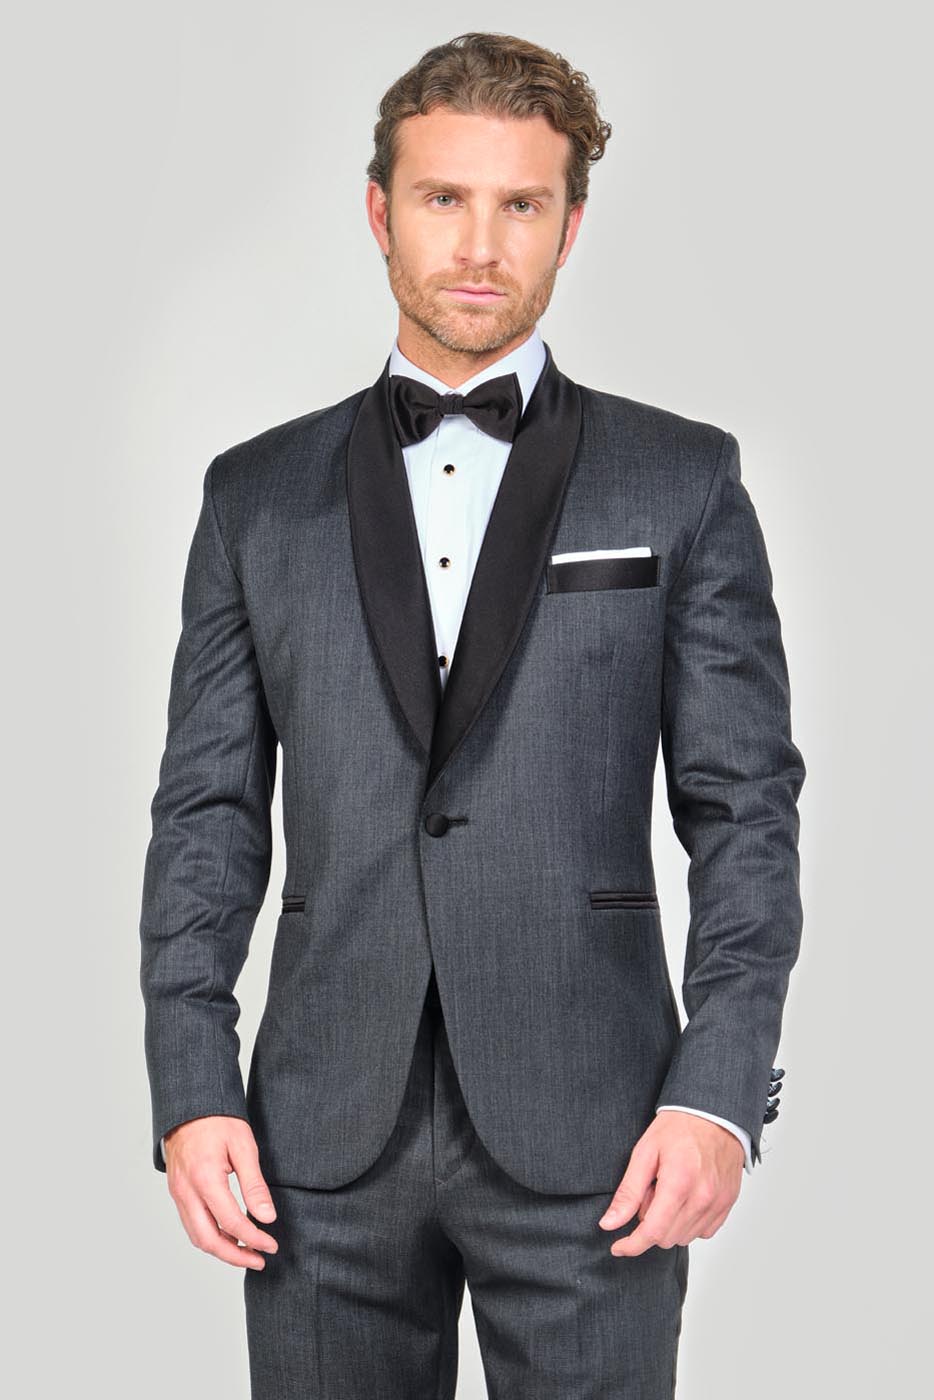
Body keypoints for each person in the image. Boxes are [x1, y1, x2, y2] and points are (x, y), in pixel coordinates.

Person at [139, 30, 805, 1399]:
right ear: (379, 210)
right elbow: (206, 815)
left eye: (522, 203)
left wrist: (718, 1090)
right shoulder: (253, 497)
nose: (481, 245)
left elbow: (744, 813)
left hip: (604, 1135)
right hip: (316, 1143)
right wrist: (192, 1084)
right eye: (444, 197)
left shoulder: (680, 480)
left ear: (572, 223)